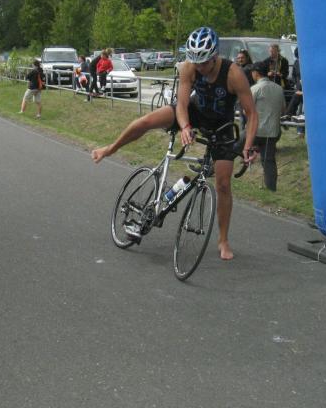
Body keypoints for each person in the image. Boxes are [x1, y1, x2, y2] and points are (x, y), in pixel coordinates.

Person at [92, 27, 257, 261]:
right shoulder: (189, 67)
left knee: (223, 184)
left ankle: (223, 240)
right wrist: (185, 126)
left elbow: (252, 114)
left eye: (204, 63)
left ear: (215, 56)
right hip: (194, 112)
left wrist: (248, 145)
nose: (200, 67)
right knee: (145, 121)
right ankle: (110, 148)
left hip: (222, 126)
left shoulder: (233, 74)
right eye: (196, 62)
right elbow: (181, 104)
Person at [250, 59, 285, 191]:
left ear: (256, 73)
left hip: (256, 131)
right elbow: (283, 109)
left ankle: (211, 169)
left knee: (234, 147)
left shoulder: (255, 89)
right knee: (269, 160)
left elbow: (247, 110)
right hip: (273, 132)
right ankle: (271, 188)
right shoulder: (279, 88)